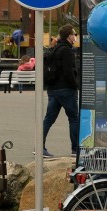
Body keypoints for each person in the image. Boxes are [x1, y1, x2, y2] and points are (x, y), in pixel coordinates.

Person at [41, 24, 80, 157]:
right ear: (69, 36)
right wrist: (75, 85)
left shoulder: (54, 49)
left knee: (48, 119)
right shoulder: (67, 51)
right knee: (74, 118)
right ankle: (75, 149)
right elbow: (68, 71)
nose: (75, 37)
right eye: (74, 34)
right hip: (66, 89)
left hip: (52, 89)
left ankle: (39, 146)